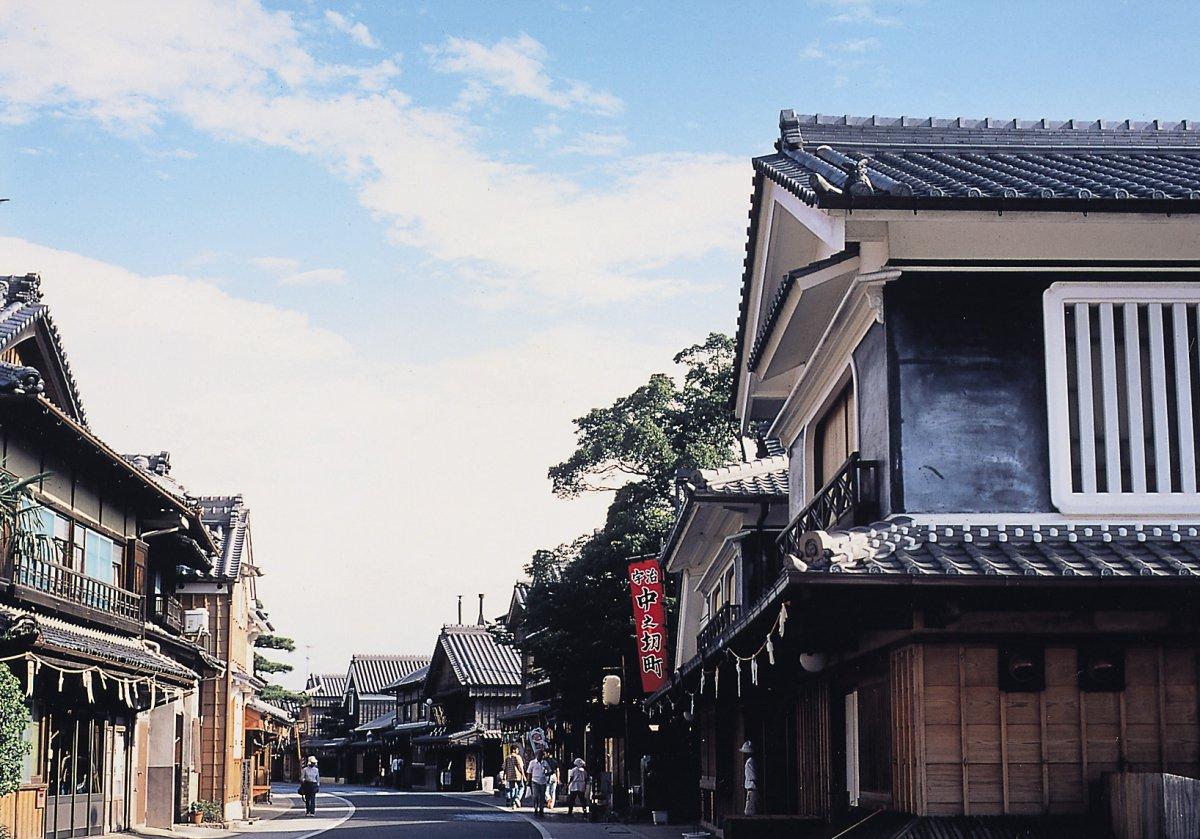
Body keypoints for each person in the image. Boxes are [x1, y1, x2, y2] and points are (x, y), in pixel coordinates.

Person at [740, 741, 758, 816]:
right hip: (752, 788)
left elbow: (752, 776)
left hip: (752, 788)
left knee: (749, 812)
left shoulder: (749, 762)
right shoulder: (752, 761)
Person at [528, 751, 548, 817]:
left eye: (541, 755)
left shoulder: (545, 763)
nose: (540, 757)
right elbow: (529, 772)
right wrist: (528, 781)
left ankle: (541, 810)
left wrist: (546, 773)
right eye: (539, 755)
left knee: (542, 797)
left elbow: (549, 771)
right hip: (535, 781)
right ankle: (536, 808)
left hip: (543, 781)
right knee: (535, 796)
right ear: (536, 755)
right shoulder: (532, 763)